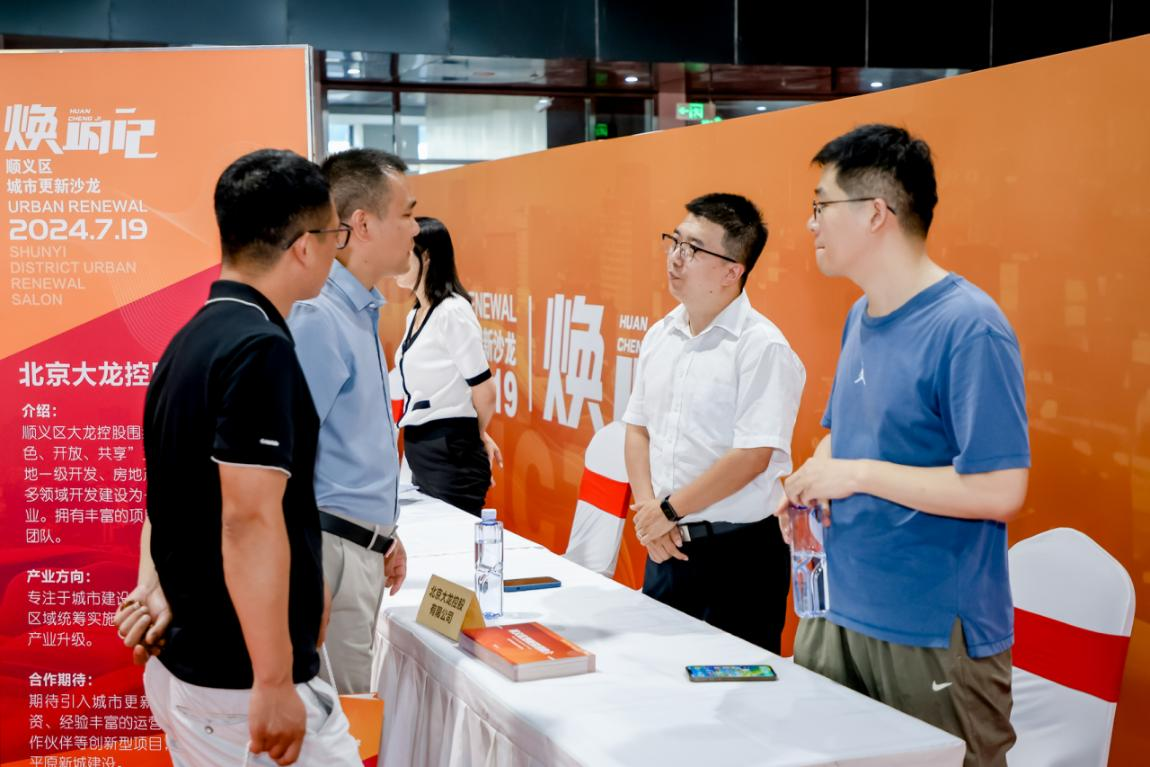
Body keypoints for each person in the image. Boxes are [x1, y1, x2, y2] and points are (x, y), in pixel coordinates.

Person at [780, 124, 1029, 766]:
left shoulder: (969, 327)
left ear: (875, 214)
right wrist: (812, 477)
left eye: (821, 205)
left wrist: (857, 474)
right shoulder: (860, 316)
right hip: (836, 610)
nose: (810, 223)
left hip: (929, 632)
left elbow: (1001, 489)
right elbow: (843, 439)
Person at [128, 148, 361, 766]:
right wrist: (275, 681)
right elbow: (248, 520)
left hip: (200, 668)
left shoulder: (192, 338)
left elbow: (176, 498)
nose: (336, 251)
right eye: (334, 235)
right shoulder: (258, 349)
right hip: (239, 683)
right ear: (304, 246)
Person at [625, 193, 805, 653]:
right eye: (674, 242)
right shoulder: (660, 335)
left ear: (732, 271)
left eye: (692, 248)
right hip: (666, 545)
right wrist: (649, 514)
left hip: (738, 555)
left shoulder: (762, 346)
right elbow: (638, 428)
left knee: (733, 689)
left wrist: (667, 511)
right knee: (655, 675)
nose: (676, 257)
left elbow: (752, 456)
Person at [287, 148, 418, 694]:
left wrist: (381, 535)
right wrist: (311, 561)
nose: (416, 228)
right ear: (362, 224)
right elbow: (287, 460)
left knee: (352, 709)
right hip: (329, 556)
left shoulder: (357, 310)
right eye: (407, 213)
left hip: (352, 547)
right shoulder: (319, 316)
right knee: (342, 717)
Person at [393, 216, 502, 515]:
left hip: (450, 453)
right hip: (422, 449)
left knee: (451, 538)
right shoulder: (415, 314)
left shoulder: (452, 312)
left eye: (405, 250)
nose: (395, 258)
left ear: (426, 256)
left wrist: (473, 436)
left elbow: (485, 391)